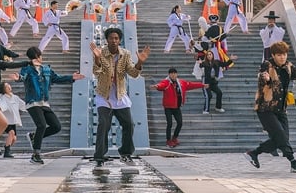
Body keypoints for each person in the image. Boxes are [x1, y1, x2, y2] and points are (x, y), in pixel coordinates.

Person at [90, 27, 150, 166]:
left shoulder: (125, 54)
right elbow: (96, 72)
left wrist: (140, 62)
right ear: (107, 39)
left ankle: (126, 153)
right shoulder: (100, 53)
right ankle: (99, 157)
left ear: (120, 40)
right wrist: (97, 58)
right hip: (104, 96)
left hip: (120, 95)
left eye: (116, 38)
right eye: (111, 38)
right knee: (103, 124)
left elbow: (133, 73)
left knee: (129, 124)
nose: (114, 41)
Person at [244, 43, 296, 173]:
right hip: (265, 109)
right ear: (273, 55)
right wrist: (266, 79)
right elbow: (262, 77)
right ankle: (293, 161)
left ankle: (254, 153)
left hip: (281, 109)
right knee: (280, 136)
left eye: (284, 54)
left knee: (282, 138)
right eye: (279, 55)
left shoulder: (288, 66)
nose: (282, 57)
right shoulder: (267, 65)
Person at [18, 47, 85, 164]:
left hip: (44, 103)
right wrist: (18, 78)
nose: (39, 58)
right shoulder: (27, 69)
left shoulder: (46, 69)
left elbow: (57, 78)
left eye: (39, 56)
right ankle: (35, 155)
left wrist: (71, 77)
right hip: (33, 102)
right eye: (37, 57)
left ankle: (34, 136)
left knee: (56, 126)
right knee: (42, 125)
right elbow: (22, 77)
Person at [152, 67, 205, 148]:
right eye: (171, 73)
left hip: (177, 107)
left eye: (174, 73)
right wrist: (157, 86)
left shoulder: (181, 83)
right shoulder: (166, 82)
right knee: (169, 124)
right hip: (168, 107)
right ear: (169, 75)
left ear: (176, 74)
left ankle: (174, 138)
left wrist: (202, 85)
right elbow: (161, 85)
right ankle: (168, 140)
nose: (173, 75)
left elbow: (191, 85)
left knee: (180, 123)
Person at [0, 81, 26, 159]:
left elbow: (22, 105)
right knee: (11, 132)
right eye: (6, 87)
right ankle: (7, 152)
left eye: (9, 85)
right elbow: (2, 105)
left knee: (14, 138)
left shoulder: (15, 97)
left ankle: (7, 147)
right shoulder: (3, 98)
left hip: (13, 121)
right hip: (6, 121)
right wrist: (0, 108)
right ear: (3, 89)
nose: (9, 87)